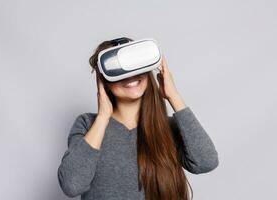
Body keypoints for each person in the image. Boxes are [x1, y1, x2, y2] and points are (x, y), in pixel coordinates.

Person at [57, 37, 219, 200]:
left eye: (134, 67)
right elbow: (72, 185)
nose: (130, 76)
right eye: (117, 70)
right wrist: (103, 117)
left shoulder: (168, 127)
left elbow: (206, 162)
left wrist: (173, 95)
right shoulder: (88, 125)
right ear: (103, 81)